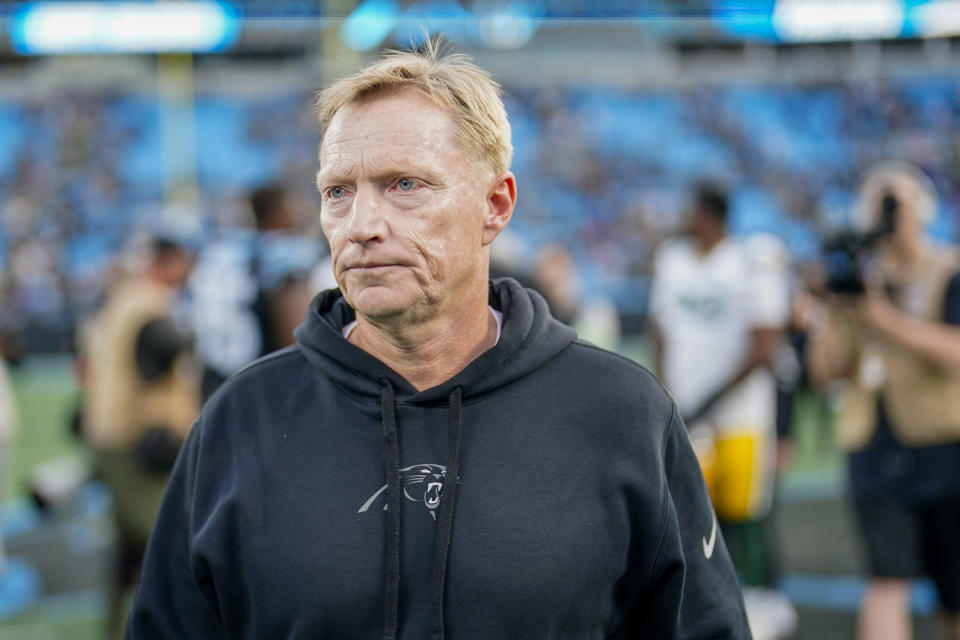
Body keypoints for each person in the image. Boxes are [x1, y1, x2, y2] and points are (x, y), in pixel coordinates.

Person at [126, 43, 750, 639]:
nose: (362, 226)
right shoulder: (241, 419)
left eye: (405, 184)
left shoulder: (621, 412)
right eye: (338, 192)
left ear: (495, 205)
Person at [806, 162, 960, 640]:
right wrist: (837, 313)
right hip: (874, 445)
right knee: (885, 581)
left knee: (955, 590)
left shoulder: (947, 271)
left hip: (943, 443)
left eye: (897, 205)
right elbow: (826, 370)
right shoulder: (857, 278)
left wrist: (881, 317)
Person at [649, 184, 795, 639]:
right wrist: (670, 393)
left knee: (743, 515)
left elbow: (764, 345)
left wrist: (706, 402)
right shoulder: (673, 259)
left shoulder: (748, 261)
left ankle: (758, 601)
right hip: (689, 413)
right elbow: (660, 328)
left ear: (710, 215)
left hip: (740, 417)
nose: (684, 217)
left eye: (691, 210)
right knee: (691, 513)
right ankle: (702, 603)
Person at [82, 236, 200, 639]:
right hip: (137, 440)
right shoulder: (151, 302)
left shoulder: (122, 297)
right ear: (167, 263)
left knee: (129, 548)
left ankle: (115, 629)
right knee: (166, 545)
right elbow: (157, 353)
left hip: (110, 434)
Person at [188, 184, 321, 399]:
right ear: (276, 213)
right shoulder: (282, 252)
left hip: (215, 376)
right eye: (290, 206)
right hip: (263, 379)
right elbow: (294, 326)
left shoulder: (221, 251)